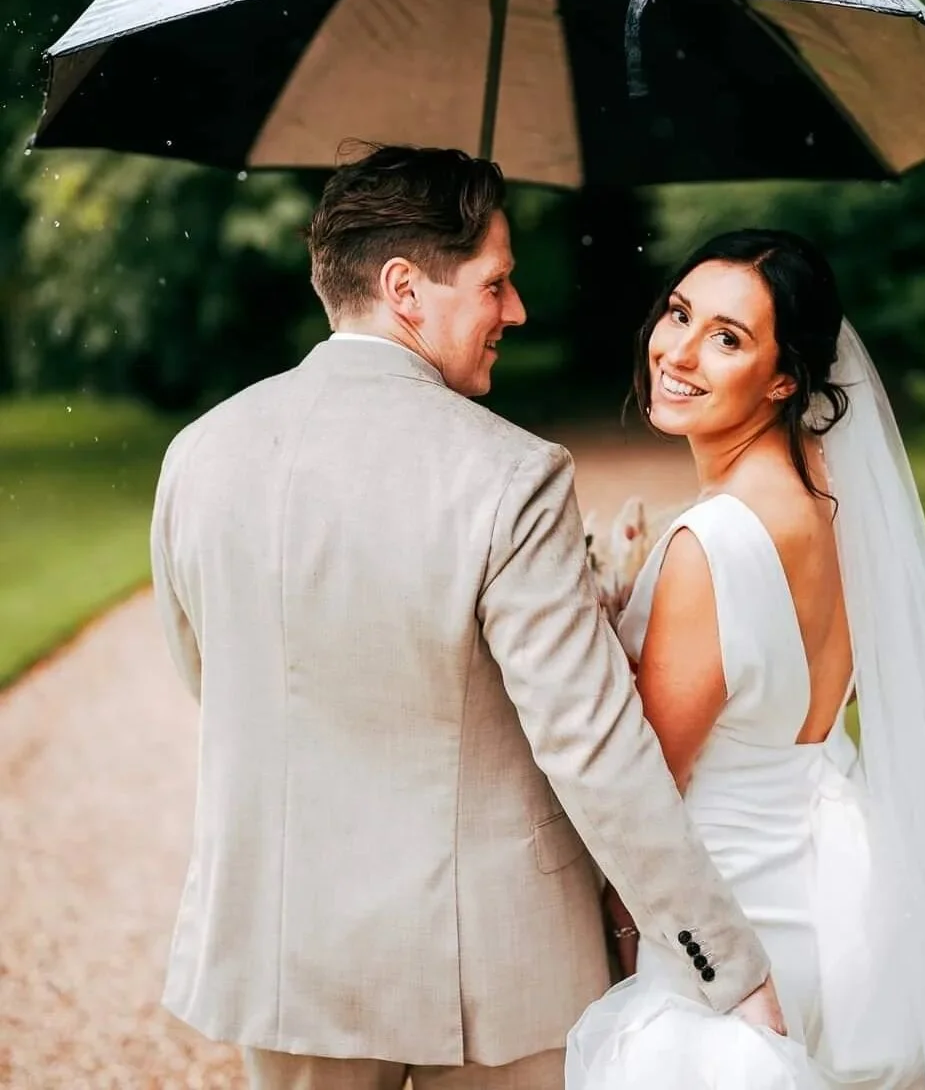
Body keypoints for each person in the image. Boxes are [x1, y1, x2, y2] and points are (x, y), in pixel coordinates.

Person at [149, 146, 778, 1090]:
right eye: (496, 281)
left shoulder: (197, 455)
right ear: (407, 288)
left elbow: (211, 675)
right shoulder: (510, 475)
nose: (515, 310)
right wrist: (722, 961)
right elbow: (594, 749)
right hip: (490, 967)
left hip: (284, 948)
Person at [567, 229, 925, 1090]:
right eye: (679, 314)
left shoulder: (713, 543)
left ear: (784, 379)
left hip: (727, 932)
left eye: (728, 338)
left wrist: (625, 948)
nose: (681, 351)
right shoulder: (835, 502)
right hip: (835, 917)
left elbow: (646, 791)